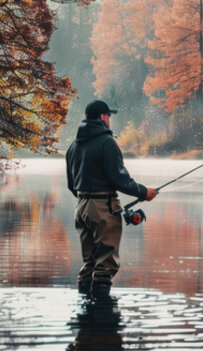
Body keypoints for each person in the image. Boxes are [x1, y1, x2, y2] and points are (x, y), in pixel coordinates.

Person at [65, 100, 158, 299]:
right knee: (105, 265)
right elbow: (119, 179)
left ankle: (85, 313)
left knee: (89, 262)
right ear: (103, 117)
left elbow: (71, 184)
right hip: (102, 207)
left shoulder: (74, 145)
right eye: (109, 116)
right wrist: (144, 193)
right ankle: (101, 315)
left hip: (80, 207)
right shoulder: (107, 142)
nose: (110, 120)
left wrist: (87, 200)